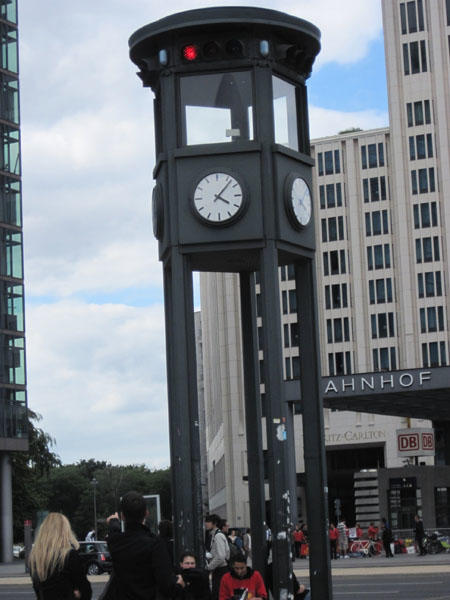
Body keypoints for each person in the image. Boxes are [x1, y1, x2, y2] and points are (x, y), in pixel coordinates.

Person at [105, 491, 183, 600]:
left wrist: (113, 520)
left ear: (122, 516)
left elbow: (114, 530)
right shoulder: (155, 544)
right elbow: (167, 585)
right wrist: (179, 584)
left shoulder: (116, 542)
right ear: (146, 513)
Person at [29, 512, 92, 600]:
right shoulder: (69, 555)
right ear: (65, 531)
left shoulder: (35, 558)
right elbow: (85, 591)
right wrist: (76, 594)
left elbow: (38, 591)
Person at [205, 514, 230, 600]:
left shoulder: (218, 536)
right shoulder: (214, 535)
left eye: (208, 521)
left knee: (218, 594)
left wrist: (209, 567)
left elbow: (221, 556)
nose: (206, 523)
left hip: (221, 570)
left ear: (214, 523)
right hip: (219, 570)